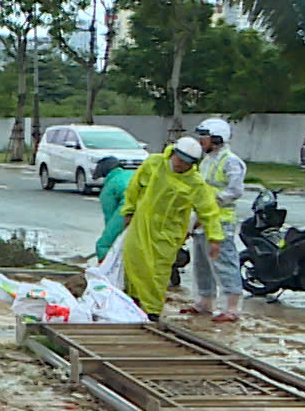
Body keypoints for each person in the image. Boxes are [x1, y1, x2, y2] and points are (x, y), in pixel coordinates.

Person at [120, 137, 229, 320]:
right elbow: (134, 187)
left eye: (187, 164)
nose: (180, 166)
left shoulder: (194, 183)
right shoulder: (154, 164)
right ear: (173, 154)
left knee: (158, 271)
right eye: (179, 160)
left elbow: (208, 210)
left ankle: (152, 310)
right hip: (142, 224)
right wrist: (129, 211)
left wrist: (215, 238)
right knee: (135, 262)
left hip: (168, 232)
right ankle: (134, 301)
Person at [179, 118, 248, 323]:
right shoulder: (207, 160)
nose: (201, 141)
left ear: (217, 138)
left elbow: (235, 191)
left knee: (224, 263)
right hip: (201, 220)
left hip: (221, 221)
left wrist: (210, 201)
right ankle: (205, 301)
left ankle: (232, 308)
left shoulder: (230, 161)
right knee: (202, 263)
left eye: (205, 137)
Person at [93, 156, 136, 261]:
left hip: (129, 205)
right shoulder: (133, 173)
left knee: (103, 245)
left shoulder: (109, 187)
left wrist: (109, 242)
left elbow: (111, 219)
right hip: (151, 205)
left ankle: (103, 269)